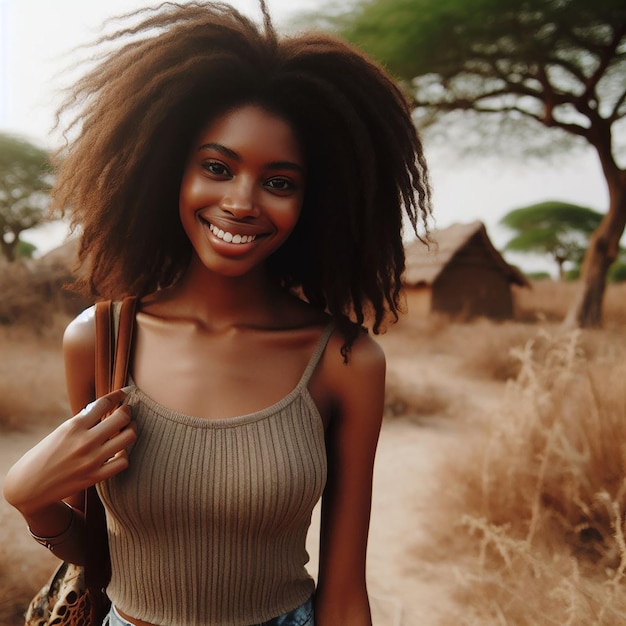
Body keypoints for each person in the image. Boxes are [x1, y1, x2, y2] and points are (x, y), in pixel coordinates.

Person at [3, 2, 432, 625]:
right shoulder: (100, 340)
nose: (241, 202)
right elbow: (103, 559)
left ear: (318, 201)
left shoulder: (345, 361)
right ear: (163, 170)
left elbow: (343, 593)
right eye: (216, 167)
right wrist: (29, 502)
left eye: (279, 181)